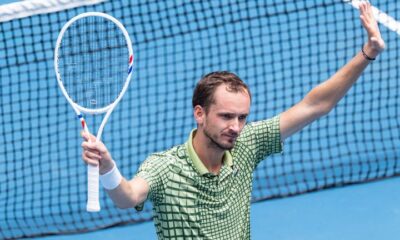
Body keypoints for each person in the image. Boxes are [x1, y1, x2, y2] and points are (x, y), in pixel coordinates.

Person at [81, 2, 385, 239]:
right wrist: (108, 167)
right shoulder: (164, 167)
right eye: (226, 116)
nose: (236, 127)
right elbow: (127, 197)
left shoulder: (247, 144)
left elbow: (315, 105)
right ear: (199, 113)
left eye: (242, 117)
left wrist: (367, 53)